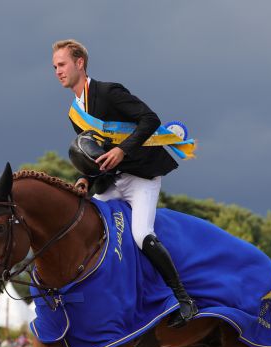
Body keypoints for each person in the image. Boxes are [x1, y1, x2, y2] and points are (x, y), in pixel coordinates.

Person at [52, 39, 197, 328]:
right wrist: (84, 179)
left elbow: (150, 119)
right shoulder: (74, 113)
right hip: (112, 181)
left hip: (142, 176)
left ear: (80, 63)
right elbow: (91, 155)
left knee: (142, 234)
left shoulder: (109, 92)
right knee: (87, 228)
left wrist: (122, 150)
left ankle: (184, 300)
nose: (57, 71)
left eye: (62, 64)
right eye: (55, 66)